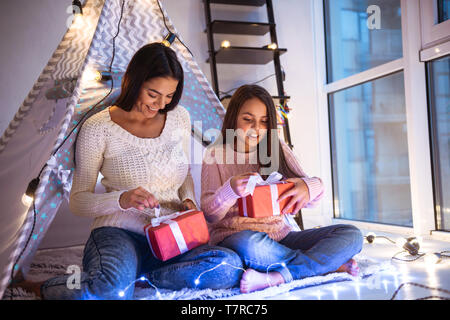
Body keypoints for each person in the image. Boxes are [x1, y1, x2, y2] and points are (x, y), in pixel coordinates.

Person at [12, 43, 243, 300]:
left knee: (228, 266)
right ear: (134, 81)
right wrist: (121, 200)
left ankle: (137, 279)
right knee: (109, 291)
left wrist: (187, 199)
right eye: (153, 94)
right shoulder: (99, 128)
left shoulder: (179, 117)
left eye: (169, 96)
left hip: (171, 235)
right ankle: (45, 287)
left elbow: (184, 173)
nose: (160, 104)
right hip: (120, 233)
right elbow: (78, 202)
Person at [201, 84, 363, 293]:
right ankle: (325, 265)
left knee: (351, 234)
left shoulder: (276, 147)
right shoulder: (215, 155)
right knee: (248, 243)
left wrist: (308, 186)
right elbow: (209, 215)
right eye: (248, 120)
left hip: (283, 237)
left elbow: (312, 200)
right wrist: (230, 189)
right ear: (233, 118)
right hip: (240, 240)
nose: (256, 128)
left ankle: (280, 276)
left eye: (264, 122)